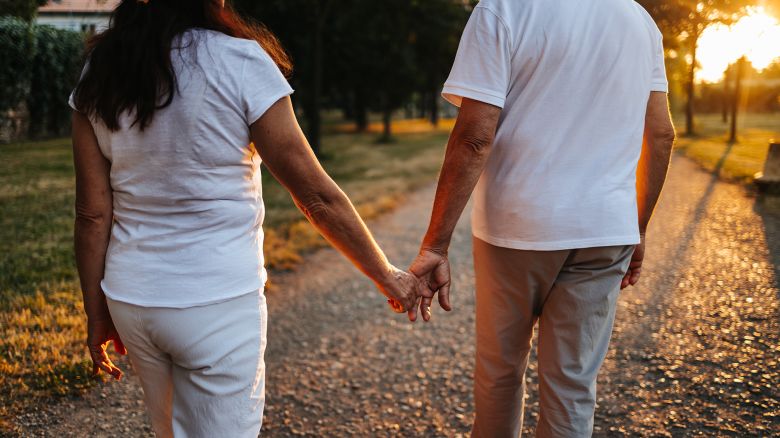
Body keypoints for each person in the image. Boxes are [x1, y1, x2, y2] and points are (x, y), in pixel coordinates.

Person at [70, 0, 422, 436]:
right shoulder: (239, 61)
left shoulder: (101, 70)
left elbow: (91, 213)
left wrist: (96, 311)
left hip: (132, 300)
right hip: (216, 302)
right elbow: (315, 197)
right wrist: (386, 274)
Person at [409, 0, 676, 436]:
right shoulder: (639, 21)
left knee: (500, 372)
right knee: (572, 386)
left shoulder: (503, 10)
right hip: (605, 232)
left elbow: (475, 136)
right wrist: (637, 226)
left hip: (517, 228)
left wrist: (435, 244)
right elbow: (661, 133)